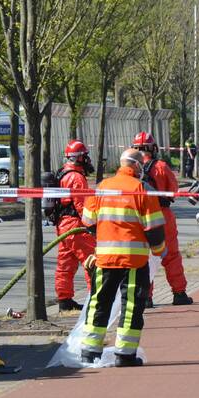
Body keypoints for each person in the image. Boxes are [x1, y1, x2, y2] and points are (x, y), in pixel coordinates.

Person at [79, 149, 166, 367]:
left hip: (105, 258)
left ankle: (89, 352)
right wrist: (159, 251)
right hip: (134, 261)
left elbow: (88, 220)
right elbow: (154, 227)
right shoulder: (142, 189)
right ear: (137, 166)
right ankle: (125, 355)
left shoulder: (101, 187)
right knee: (132, 306)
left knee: (99, 302)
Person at [132, 131, 192, 306]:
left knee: (145, 258)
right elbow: (174, 191)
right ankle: (179, 293)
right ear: (153, 148)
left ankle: (146, 297)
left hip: (141, 217)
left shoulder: (133, 167)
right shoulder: (161, 167)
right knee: (171, 256)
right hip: (163, 215)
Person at [53, 140, 96, 313]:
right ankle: (96, 298)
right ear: (79, 158)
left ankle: (64, 300)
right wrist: (92, 225)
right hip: (75, 224)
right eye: (85, 156)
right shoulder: (76, 177)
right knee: (91, 260)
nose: (88, 160)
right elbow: (81, 205)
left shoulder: (63, 172)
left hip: (63, 224)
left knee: (65, 263)